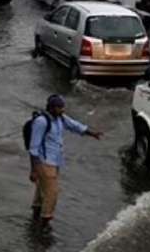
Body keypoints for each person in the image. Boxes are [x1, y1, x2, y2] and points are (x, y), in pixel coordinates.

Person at [28, 95, 103, 227]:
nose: (63, 110)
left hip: (55, 161)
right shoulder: (41, 122)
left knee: (42, 190)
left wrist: (92, 133)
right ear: (52, 108)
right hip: (44, 163)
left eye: (63, 107)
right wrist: (34, 170)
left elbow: (75, 126)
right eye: (60, 107)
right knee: (52, 192)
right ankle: (44, 223)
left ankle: (35, 217)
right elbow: (33, 148)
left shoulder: (60, 118)